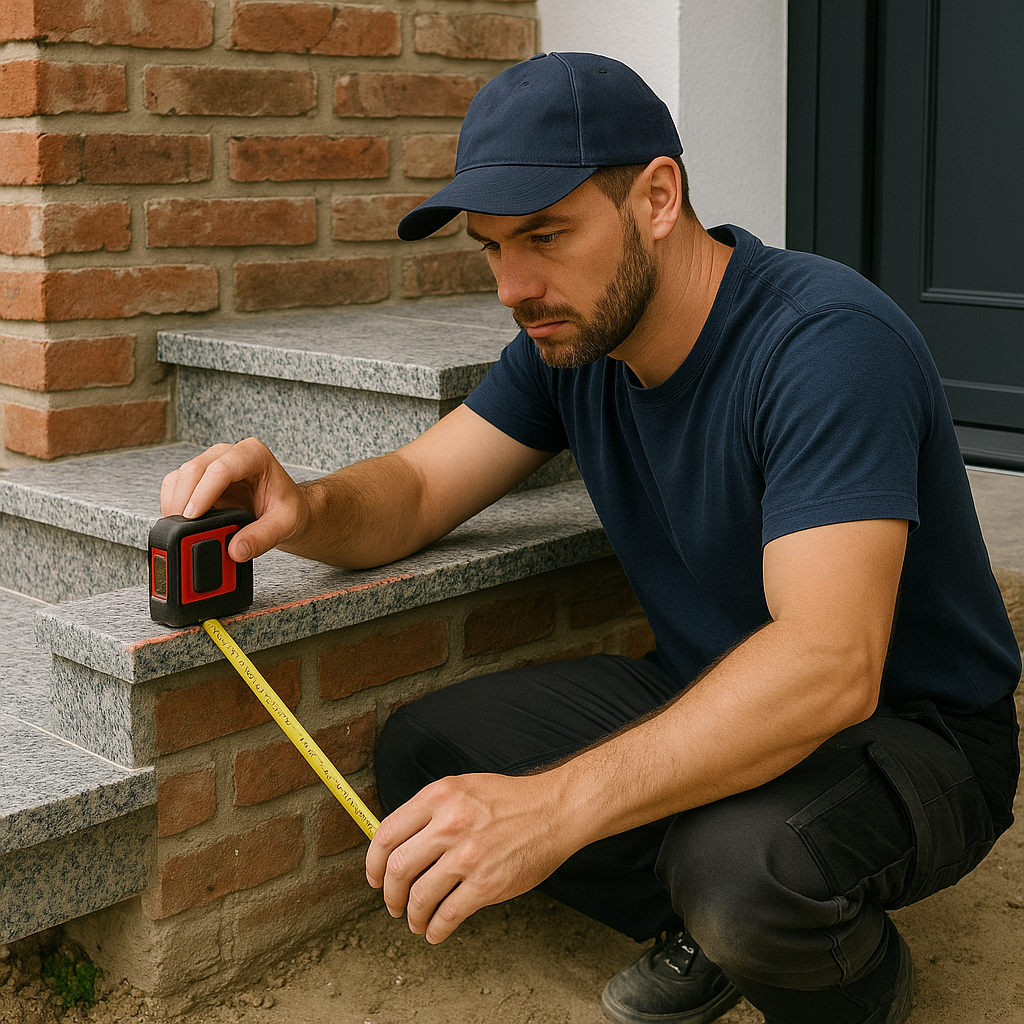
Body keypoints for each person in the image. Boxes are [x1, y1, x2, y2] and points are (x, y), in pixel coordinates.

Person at [162, 52, 1020, 1024]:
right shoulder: (570, 341)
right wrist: (303, 506)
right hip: (707, 681)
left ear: (657, 196)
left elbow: (830, 663)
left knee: (739, 874)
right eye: (490, 248)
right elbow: (411, 490)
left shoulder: (825, 345)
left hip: (912, 738)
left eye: (545, 234)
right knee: (430, 756)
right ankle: (718, 909)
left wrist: (553, 810)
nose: (512, 286)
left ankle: (857, 979)